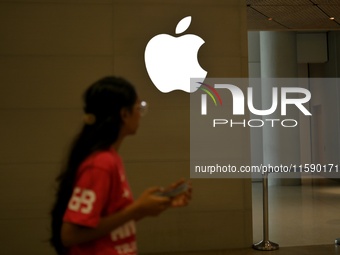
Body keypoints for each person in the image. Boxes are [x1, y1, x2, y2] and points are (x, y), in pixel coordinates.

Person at [50, 76, 191, 255]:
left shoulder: (111, 158)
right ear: (124, 114)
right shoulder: (101, 163)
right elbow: (70, 235)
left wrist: (148, 207)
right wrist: (135, 209)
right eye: (138, 108)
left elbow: (110, 221)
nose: (140, 114)